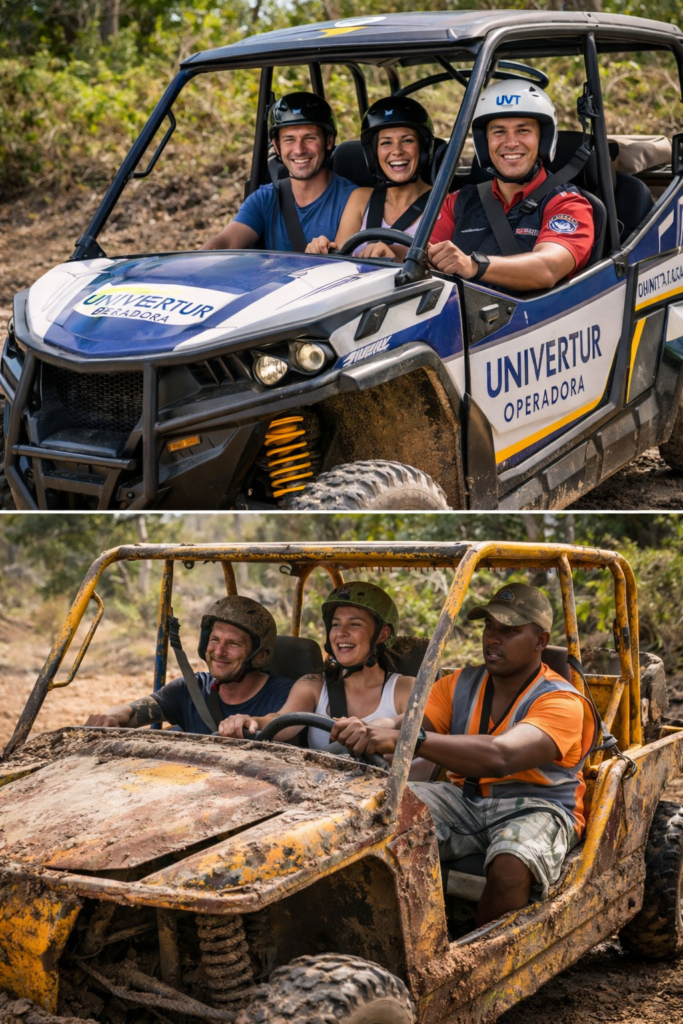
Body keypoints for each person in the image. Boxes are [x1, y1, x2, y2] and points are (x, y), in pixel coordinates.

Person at [329, 583, 597, 926]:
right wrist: (366, 728)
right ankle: (409, 933)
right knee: (377, 812)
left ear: (541, 641)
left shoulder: (562, 701)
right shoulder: (460, 683)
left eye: (510, 630)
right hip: (463, 797)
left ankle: (484, 960)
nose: (493, 638)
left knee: (512, 865)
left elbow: (500, 755)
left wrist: (405, 739)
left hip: (538, 805)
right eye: (489, 627)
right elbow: (402, 721)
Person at [427, 80, 595, 289]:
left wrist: (473, 265)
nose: (511, 142)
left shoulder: (567, 205)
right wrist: (396, 254)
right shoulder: (459, 201)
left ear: (543, 140)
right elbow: (427, 255)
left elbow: (548, 268)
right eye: (499, 132)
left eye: (523, 131)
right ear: (484, 141)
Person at [217, 582, 416, 751]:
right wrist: (250, 722)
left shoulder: (404, 688)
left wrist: (381, 729)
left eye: (354, 624)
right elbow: (279, 721)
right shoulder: (314, 685)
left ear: (381, 635)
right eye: (336, 625)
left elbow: (421, 729)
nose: (341, 633)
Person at [84, 596, 295, 734]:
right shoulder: (191, 688)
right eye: (214, 640)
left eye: (233, 643)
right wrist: (109, 718)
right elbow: (131, 712)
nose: (219, 651)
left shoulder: (284, 694)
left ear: (260, 656)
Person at [201, 93, 357, 253]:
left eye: (309, 138)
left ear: (329, 141)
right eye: (289, 139)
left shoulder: (353, 200)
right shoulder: (265, 199)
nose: (299, 150)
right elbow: (224, 243)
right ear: (276, 146)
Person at [305, 96, 433, 260]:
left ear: (423, 148)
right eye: (386, 143)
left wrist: (397, 255)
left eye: (407, 140)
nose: (397, 151)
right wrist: (323, 250)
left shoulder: (441, 203)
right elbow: (340, 261)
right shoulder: (360, 198)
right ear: (373, 154)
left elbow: (442, 265)